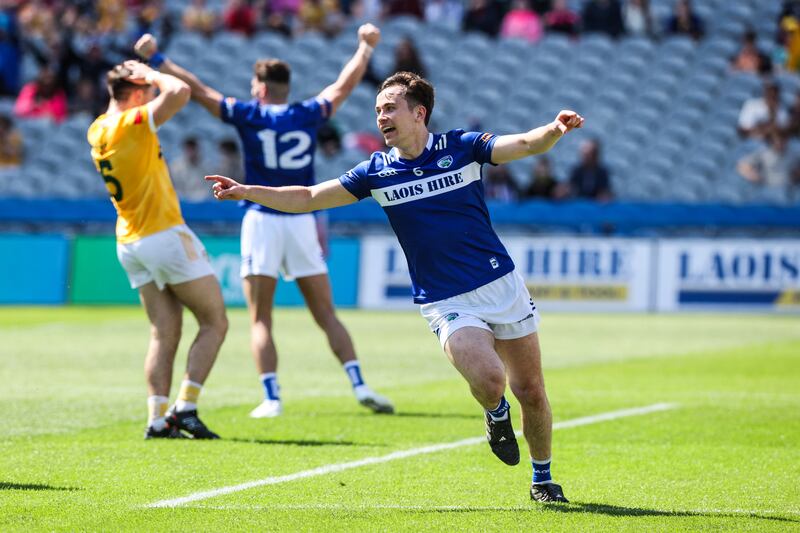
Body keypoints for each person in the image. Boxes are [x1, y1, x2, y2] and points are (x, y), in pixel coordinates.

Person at [206, 71, 584, 502]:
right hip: (446, 300)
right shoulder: (377, 171)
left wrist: (554, 130)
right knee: (491, 379)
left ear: (418, 113)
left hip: (502, 285)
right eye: (378, 110)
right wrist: (247, 191)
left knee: (531, 391)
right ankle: (496, 414)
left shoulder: (460, 147)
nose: (381, 117)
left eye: (389, 108)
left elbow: (525, 144)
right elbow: (309, 197)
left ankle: (542, 479)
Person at [134, 24, 394, 418]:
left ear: (260, 86)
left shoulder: (249, 114)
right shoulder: (307, 113)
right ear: (286, 87)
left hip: (261, 218)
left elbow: (200, 90)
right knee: (326, 313)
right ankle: (359, 384)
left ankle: (272, 396)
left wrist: (157, 60)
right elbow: (343, 85)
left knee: (260, 318)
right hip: (303, 217)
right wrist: (365, 48)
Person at [87, 60, 228, 440]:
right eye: (146, 93)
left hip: (129, 241)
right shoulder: (126, 124)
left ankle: (156, 418)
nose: (151, 97)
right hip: (162, 234)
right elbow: (179, 93)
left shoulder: (97, 128)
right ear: (134, 94)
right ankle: (186, 408)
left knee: (163, 332)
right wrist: (153, 74)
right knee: (215, 321)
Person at [737, 128, 800, 193]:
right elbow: (742, 166)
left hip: (789, 188)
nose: (781, 143)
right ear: (772, 142)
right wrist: (753, 175)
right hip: (766, 188)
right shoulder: (763, 154)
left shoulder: (794, 154)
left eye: (783, 141)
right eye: (778, 141)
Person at [170, 136, 213, 201]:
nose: (191, 152)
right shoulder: (175, 167)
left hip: (203, 202)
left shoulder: (208, 167)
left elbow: (209, 189)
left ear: (198, 149)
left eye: (193, 149)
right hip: (183, 202)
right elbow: (175, 188)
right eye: (188, 149)